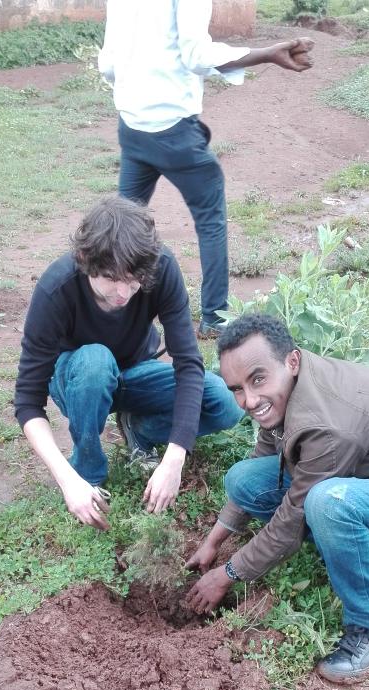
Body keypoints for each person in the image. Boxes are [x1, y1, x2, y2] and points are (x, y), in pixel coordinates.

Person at [186, 314, 369, 683]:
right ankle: (359, 544)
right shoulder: (289, 389)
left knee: (328, 502)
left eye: (257, 379)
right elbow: (263, 458)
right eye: (236, 388)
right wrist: (214, 541)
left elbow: (290, 521)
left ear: (291, 361)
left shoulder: (327, 424)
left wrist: (227, 575)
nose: (249, 399)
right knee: (244, 479)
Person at [14, 196, 243, 530]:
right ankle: (88, 474)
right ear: (84, 259)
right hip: (78, 378)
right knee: (95, 361)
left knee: (224, 403)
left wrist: (174, 457)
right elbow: (27, 402)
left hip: (135, 373)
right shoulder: (56, 288)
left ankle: (139, 427)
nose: (123, 292)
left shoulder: (161, 268)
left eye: (134, 279)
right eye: (110, 278)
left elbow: (189, 365)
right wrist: (67, 480)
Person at [98, 0, 314, 337]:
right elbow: (196, 56)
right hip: (174, 131)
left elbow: (108, 64)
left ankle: (111, 306)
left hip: (132, 124)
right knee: (210, 220)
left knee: (123, 224)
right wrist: (268, 54)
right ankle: (214, 315)